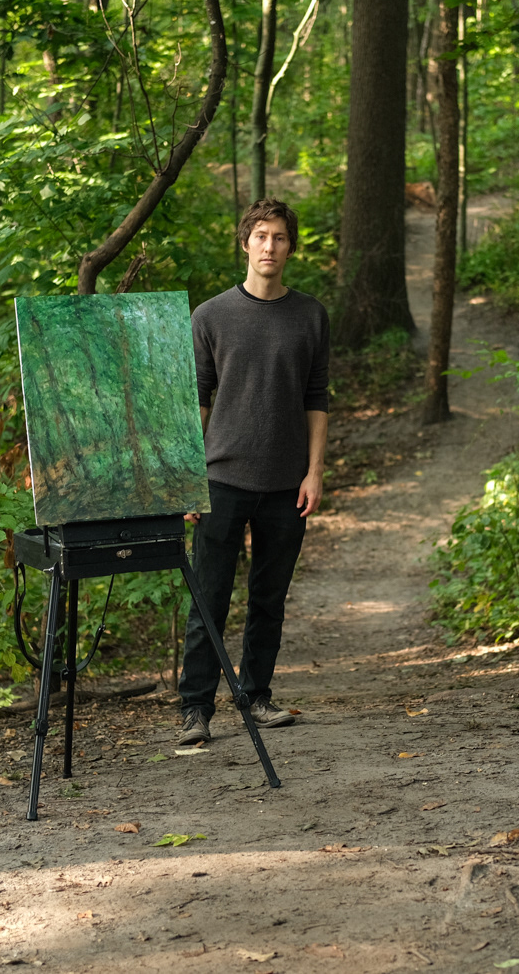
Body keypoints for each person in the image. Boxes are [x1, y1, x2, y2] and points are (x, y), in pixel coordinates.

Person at [177, 198, 329, 745]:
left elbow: (317, 398)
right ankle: (195, 709)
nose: (270, 246)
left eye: (280, 237)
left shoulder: (310, 314)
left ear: (291, 246)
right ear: (245, 243)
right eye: (261, 236)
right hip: (221, 480)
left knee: (269, 598)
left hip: (287, 483)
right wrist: (185, 478)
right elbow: (194, 400)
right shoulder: (211, 316)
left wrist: (314, 472)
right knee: (209, 598)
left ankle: (256, 696)